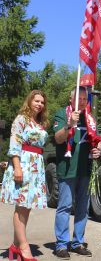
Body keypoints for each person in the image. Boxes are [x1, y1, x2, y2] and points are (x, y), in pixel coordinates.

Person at [53, 87, 101, 259]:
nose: (82, 102)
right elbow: (58, 138)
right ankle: (61, 245)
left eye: (84, 99)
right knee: (65, 207)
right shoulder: (61, 113)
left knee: (83, 208)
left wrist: (97, 150)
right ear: (70, 99)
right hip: (67, 169)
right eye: (78, 98)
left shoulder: (89, 117)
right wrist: (69, 124)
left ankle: (77, 242)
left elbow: (95, 140)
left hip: (85, 169)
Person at [1, 90, 49, 261]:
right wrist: (17, 168)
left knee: (26, 207)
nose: (39, 104)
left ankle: (14, 245)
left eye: (42, 102)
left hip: (36, 166)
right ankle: (23, 247)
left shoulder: (39, 122)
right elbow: (15, 144)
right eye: (36, 101)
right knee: (21, 206)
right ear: (29, 101)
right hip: (23, 164)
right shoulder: (21, 119)